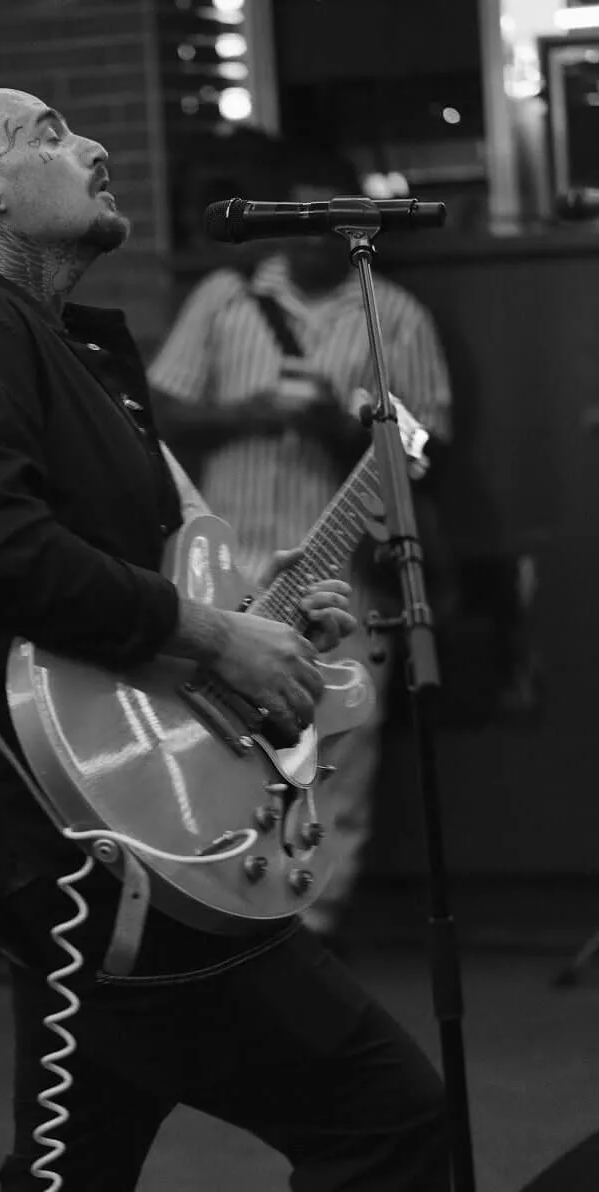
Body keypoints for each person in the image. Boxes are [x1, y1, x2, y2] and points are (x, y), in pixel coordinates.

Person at [0, 89, 449, 1190]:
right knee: (388, 1116)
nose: (92, 145)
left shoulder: (46, 345)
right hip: (88, 847)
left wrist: (256, 621)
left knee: (69, 1169)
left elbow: (112, 576)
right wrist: (214, 642)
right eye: (49, 133)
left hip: (93, 832)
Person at [149, 140, 453, 947]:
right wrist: (252, 413)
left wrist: (333, 424)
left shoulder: (397, 316)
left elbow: (430, 450)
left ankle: (311, 923)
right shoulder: (226, 295)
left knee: (335, 757)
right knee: (217, 753)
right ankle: (219, 911)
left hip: (342, 577)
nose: (312, 232)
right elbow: (163, 412)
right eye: (301, 214)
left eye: (331, 218)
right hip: (227, 566)